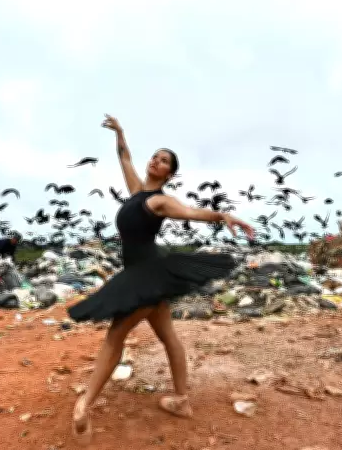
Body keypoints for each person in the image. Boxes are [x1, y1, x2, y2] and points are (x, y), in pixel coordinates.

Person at [67, 114, 254, 445]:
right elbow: (124, 157)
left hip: (148, 273)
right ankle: (181, 399)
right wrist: (121, 132)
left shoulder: (161, 201)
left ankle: (85, 406)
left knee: (115, 336)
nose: (156, 161)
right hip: (140, 273)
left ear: (170, 173)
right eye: (155, 156)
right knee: (167, 335)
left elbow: (194, 213)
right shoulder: (137, 192)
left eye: (164, 160)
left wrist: (224, 215)